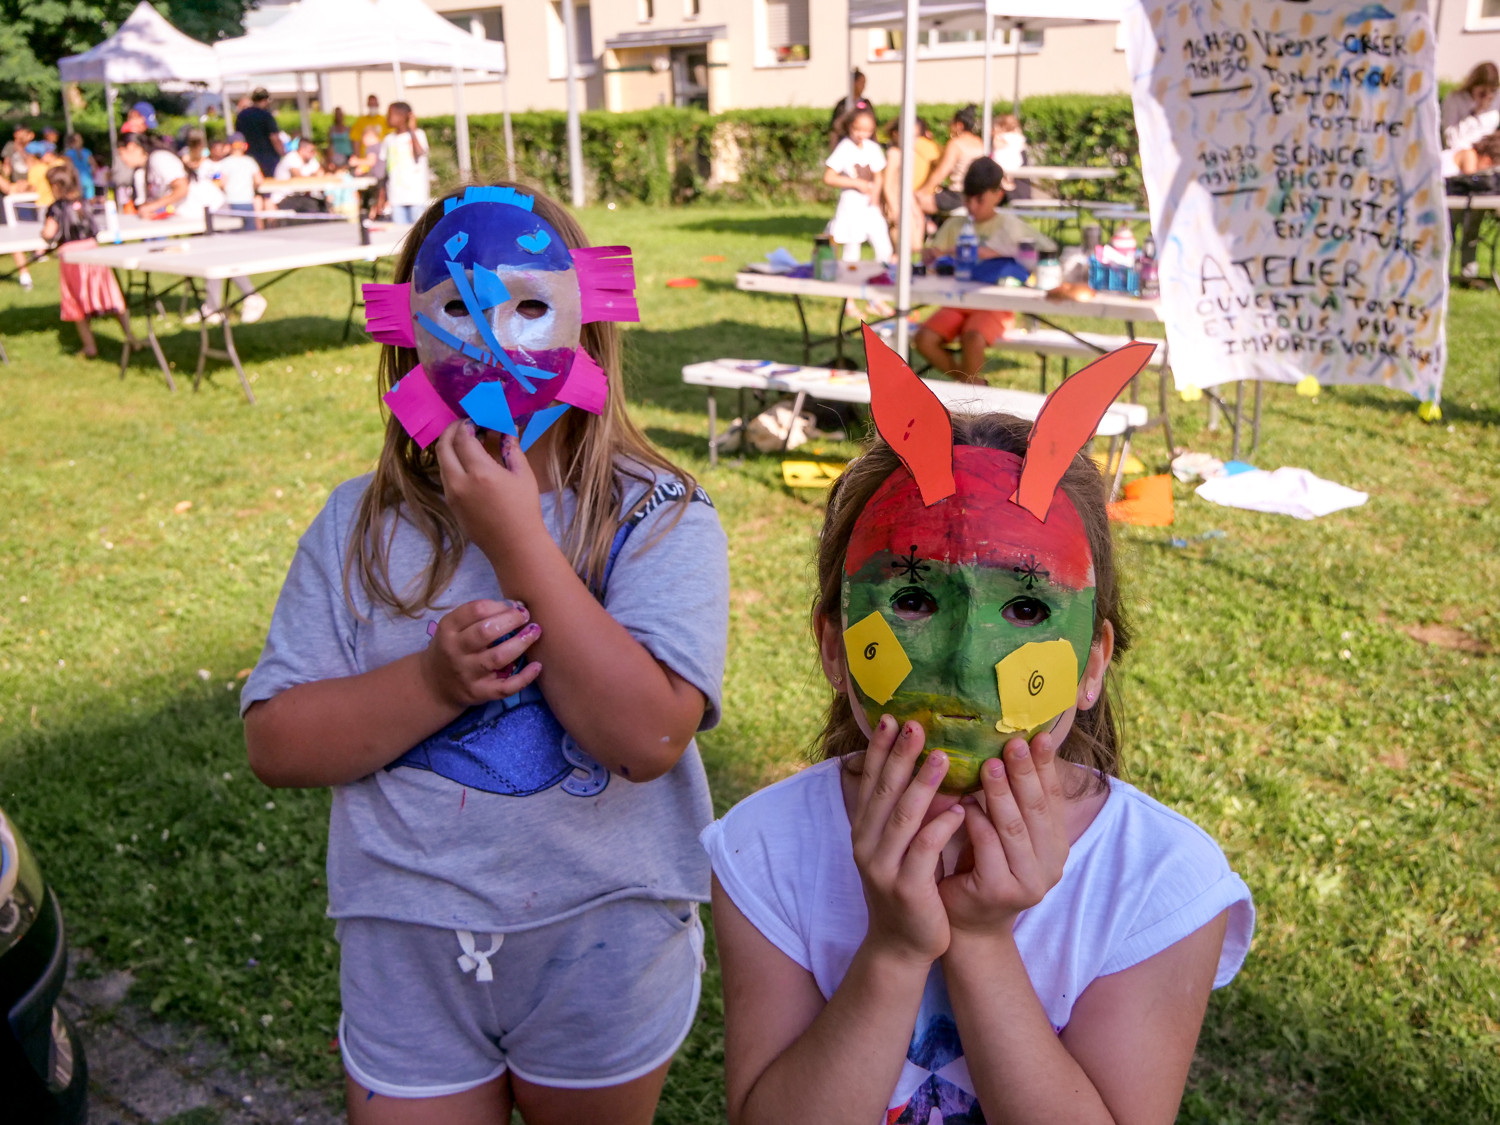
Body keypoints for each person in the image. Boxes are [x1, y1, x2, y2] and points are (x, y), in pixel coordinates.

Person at [241, 181, 729, 1125]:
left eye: (530, 304)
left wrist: (517, 547)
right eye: (458, 306)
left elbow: (647, 739)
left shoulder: (660, 514)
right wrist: (431, 679)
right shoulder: (358, 526)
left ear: (591, 321)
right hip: (407, 954)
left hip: (601, 945)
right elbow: (276, 744)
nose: (493, 336)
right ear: (403, 337)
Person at [703, 389, 1255, 1125]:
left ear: (1094, 663)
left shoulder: (1161, 880)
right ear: (835, 645)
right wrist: (895, 952)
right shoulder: (765, 848)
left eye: (1026, 609)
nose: (965, 668)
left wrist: (982, 941)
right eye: (913, 599)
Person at [915, 158, 1055, 384]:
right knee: (924, 339)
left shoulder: (1009, 225)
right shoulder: (955, 225)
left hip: (995, 304)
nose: (972, 207)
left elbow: (1046, 252)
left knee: (972, 338)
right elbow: (931, 257)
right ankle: (971, 386)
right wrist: (932, 256)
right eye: (967, 199)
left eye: (979, 200)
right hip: (957, 302)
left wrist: (1003, 254)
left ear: (997, 194)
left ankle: (970, 397)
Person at [118, 134, 267, 324]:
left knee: (221, 258)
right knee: (212, 259)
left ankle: (251, 298)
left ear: (132, 146)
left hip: (212, 209)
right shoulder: (149, 165)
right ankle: (213, 308)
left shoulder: (159, 158)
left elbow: (182, 188)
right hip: (199, 214)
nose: (122, 159)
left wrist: (153, 207)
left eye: (122, 153)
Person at [41, 161, 135, 359]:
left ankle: (90, 346)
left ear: (56, 187)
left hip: (72, 257)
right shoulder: (86, 202)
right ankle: (131, 338)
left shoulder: (57, 208)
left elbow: (49, 233)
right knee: (110, 295)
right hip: (93, 253)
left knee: (76, 301)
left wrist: (44, 235)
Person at [883, 116, 943, 254]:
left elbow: (906, 185)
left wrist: (915, 208)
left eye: (916, 136)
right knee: (902, 247)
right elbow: (887, 185)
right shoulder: (894, 154)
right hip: (896, 203)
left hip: (907, 201)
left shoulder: (908, 154)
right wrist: (894, 209)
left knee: (916, 242)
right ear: (896, 134)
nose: (913, 141)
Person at [917, 104, 987, 215]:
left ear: (959, 125)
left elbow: (942, 172)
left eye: (951, 124)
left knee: (912, 201)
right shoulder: (979, 142)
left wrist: (922, 191)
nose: (949, 127)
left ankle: (927, 229)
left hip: (956, 196)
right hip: (973, 195)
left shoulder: (956, 144)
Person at [378, 102, 430, 223]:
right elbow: (385, 172)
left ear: (403, 117)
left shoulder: (418, 135)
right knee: (400, 235)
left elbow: (419, 152)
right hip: (396, 198)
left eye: (391, 114)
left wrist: (412, 130)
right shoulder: (388, 139)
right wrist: (381, 197)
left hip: (416, 197)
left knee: (417, 235)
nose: (387, 118)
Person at [1441, 62, 1498, 152]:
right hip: (1460, 155)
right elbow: (1451, 140)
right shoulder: (1455, 99)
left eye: (1492, 92)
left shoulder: (1495, 103)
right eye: (1483, 93)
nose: (1487, 97)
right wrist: (1475, 113)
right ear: (1473, 85)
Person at [235, 87, 284, 178]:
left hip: (248, 156)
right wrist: (283, 153)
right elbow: (274, 137)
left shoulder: (242, 115)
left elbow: (238, 136)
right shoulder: (266, 116)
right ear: (266, 100)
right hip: (267, 157)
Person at [828, 68, 874, 145]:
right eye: (862, 83)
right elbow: (835, 126)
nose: (863, 86)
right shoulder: (842, 104)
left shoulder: (866, 103)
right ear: (854, 83)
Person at [62, 133, 97, 200]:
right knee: (90, 201)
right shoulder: (87, 152)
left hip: (75, 180)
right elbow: (94, 166)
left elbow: (67, 167)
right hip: (87, 179)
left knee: (76, 201)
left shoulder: (68, 153)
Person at [352, 94, 387, 159]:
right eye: (371, 104)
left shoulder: (384, 120)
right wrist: (358, 157)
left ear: (378, 104)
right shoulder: (360, 121)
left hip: (381, 155)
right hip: (365, 156)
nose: (372, 106)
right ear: (367, 105)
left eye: (374, 104)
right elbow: (356, 140)